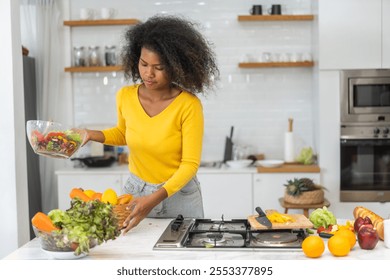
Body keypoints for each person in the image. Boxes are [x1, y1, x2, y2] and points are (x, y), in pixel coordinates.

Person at [83, 14, 219, 234]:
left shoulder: (188, 105)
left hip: (179, 195)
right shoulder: (125, 96)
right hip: (137, 191)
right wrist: (91, 134)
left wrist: (154, 199)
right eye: (143, 64)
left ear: (176, 66)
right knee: (131, 254)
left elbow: (190, 164)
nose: (148, 73)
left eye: (159, 67)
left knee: (184, 260)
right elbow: (123, 134)